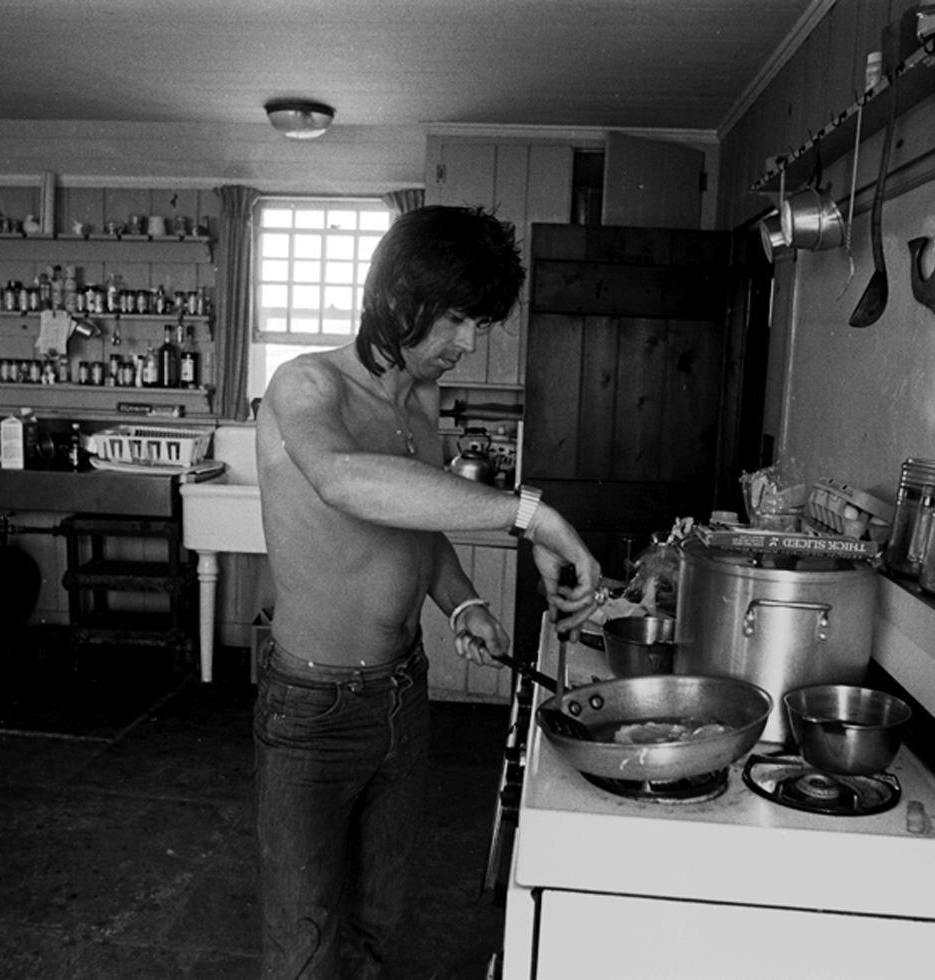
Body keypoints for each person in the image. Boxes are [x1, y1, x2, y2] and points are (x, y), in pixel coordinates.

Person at [252, 204, 601, 978]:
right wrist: (532, 518)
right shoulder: (309, 385)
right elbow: (345, 482)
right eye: (455, 320)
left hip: (405, 693)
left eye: (479, 325)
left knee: (379, 922)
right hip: (313, 707)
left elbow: (415, 520)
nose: (467, 344)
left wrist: (466, 603)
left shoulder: (422, 407)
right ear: (398, 296)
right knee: (303, 945)